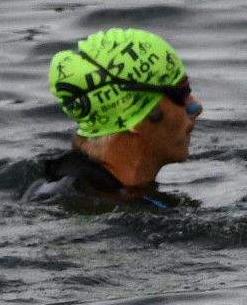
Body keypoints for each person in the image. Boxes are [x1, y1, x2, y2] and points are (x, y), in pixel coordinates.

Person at [30, 27, 201, 206]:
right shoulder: (97, 207)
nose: (196, 107)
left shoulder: (54, 185)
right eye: (182, 92)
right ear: (132, 114)